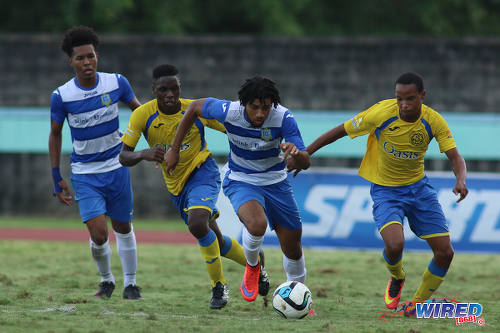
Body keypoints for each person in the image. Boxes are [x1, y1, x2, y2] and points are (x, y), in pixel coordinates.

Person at [289, 72, 468, 316]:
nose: (404, 104)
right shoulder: (381, 113)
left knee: (446, 253)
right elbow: (340, 130)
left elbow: (455, 156)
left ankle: (415, 305)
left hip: (419, 190)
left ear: (422, 96)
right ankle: (397, 276)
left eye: (410, 99)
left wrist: (460, 180)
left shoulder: (433, 120)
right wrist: (304, 154)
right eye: (399, 99)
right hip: (386, 191)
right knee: (395, 245)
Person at [119, 64, 270, 309]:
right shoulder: (142, 116)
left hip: (204, 172)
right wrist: (144, 153)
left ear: (180, 89)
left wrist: (260, 133)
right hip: (177, 187)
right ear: (154, 90)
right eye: (163, 90)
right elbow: (123, 156)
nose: (170, 94)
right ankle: (256, 264)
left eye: (174, 89)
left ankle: (219, 287)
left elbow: (231, 125)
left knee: (198, 224)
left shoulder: (194, 109)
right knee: (216, 243)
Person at [165, 76, 311, 303]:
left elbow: (304, 162)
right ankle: (253, 266)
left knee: (293, 247)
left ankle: (300, 297)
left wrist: (297, 154)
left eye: (265, 107)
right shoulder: (228, 111)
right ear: (244, 104)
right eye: (255, 108)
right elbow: (193, 107)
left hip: (276, 182)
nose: (261, 114)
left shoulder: (284, 117)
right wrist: (174, 149)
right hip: (241, 179)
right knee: (257, 224)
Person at [49, 26, 142, 300]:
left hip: (117, 167)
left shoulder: (116, 83)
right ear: (71, 62)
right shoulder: (62, 96)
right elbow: (55, 134)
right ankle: (106, 281)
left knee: (123, 227)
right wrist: (56, 176)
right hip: (85, 173)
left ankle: (131, 284)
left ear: (96, 56)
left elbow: (141, 113)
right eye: (80, 58)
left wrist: (150, 146)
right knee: (99, 233)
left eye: (90, 56)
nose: (87, 62)